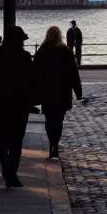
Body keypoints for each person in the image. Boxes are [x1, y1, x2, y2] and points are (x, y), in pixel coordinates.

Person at [0, 26, 36, 188]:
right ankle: (11, 172)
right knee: (16, 141)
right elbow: (33, 81)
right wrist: (31, 100)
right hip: (19, 104)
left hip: (0, 104)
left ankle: (6, 165)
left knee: (0, 139)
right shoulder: (25, 57)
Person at [35, 25, 83, 158]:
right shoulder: (65, 51)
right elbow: (74, 72)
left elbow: (35, 72)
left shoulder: (42, 51)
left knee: (49, 119)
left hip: (47, 91)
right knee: (59, 120)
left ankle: (52, 142)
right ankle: (56, 143)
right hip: (63, 91)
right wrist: (78, 92)